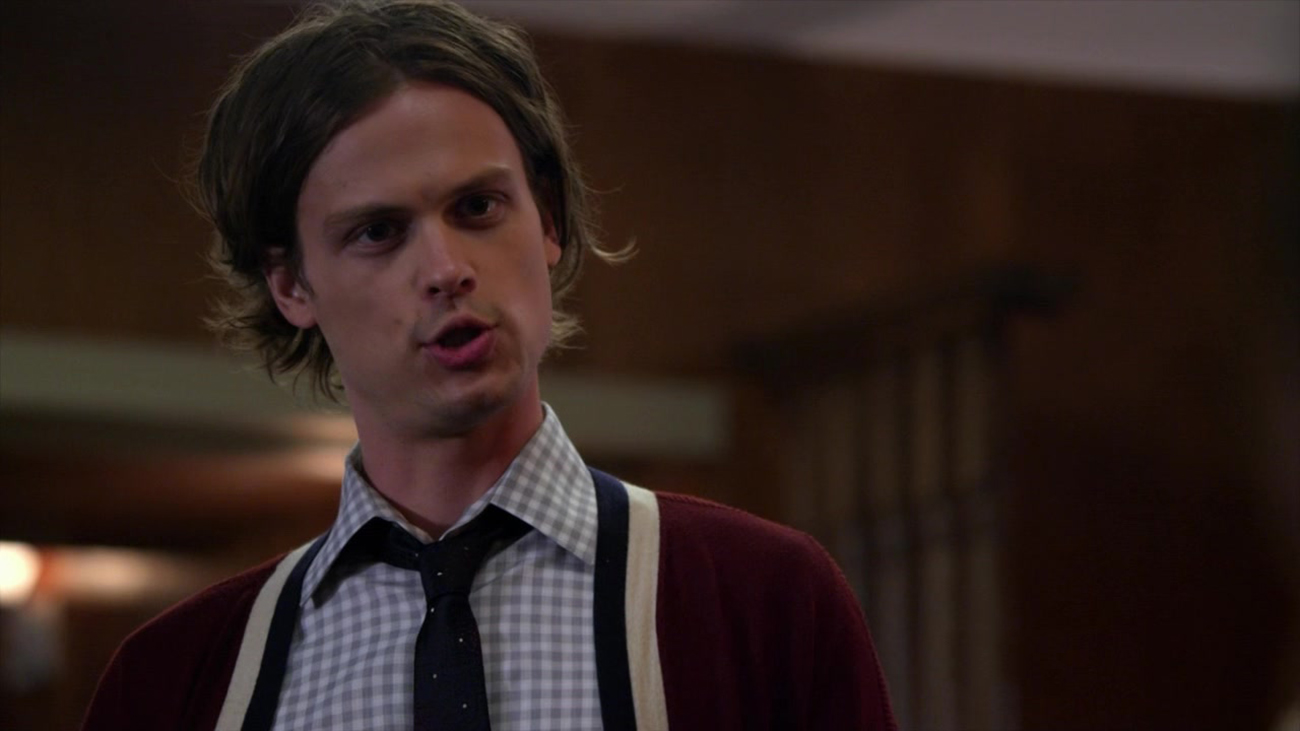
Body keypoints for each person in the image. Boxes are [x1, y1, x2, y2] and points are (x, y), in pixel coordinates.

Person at [80, 1, 896, 729]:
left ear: (547, 219)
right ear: (291, 283)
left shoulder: (760, 599)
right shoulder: (175, 679)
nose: (445, 268)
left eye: (477, 207)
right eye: (378, 232)